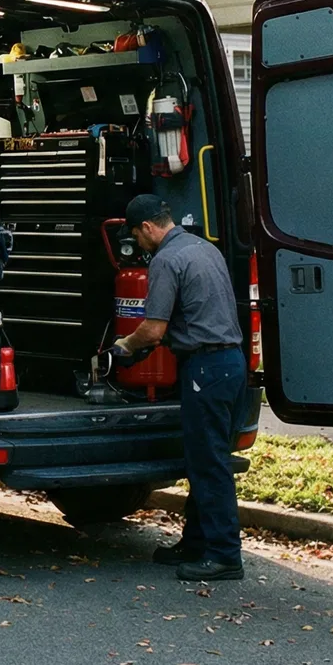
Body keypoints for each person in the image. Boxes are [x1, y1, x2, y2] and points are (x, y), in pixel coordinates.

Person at [112, 193, 247, 581]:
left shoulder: (167, 260)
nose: (138, 244)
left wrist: (125, 347)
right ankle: (196, 543)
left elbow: (154, 328)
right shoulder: (205, 249)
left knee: (210, 465)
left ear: (149, 228)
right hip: (231, 363)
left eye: (137, 236)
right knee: (205, 459)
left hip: (204, 368)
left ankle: (224, 555)